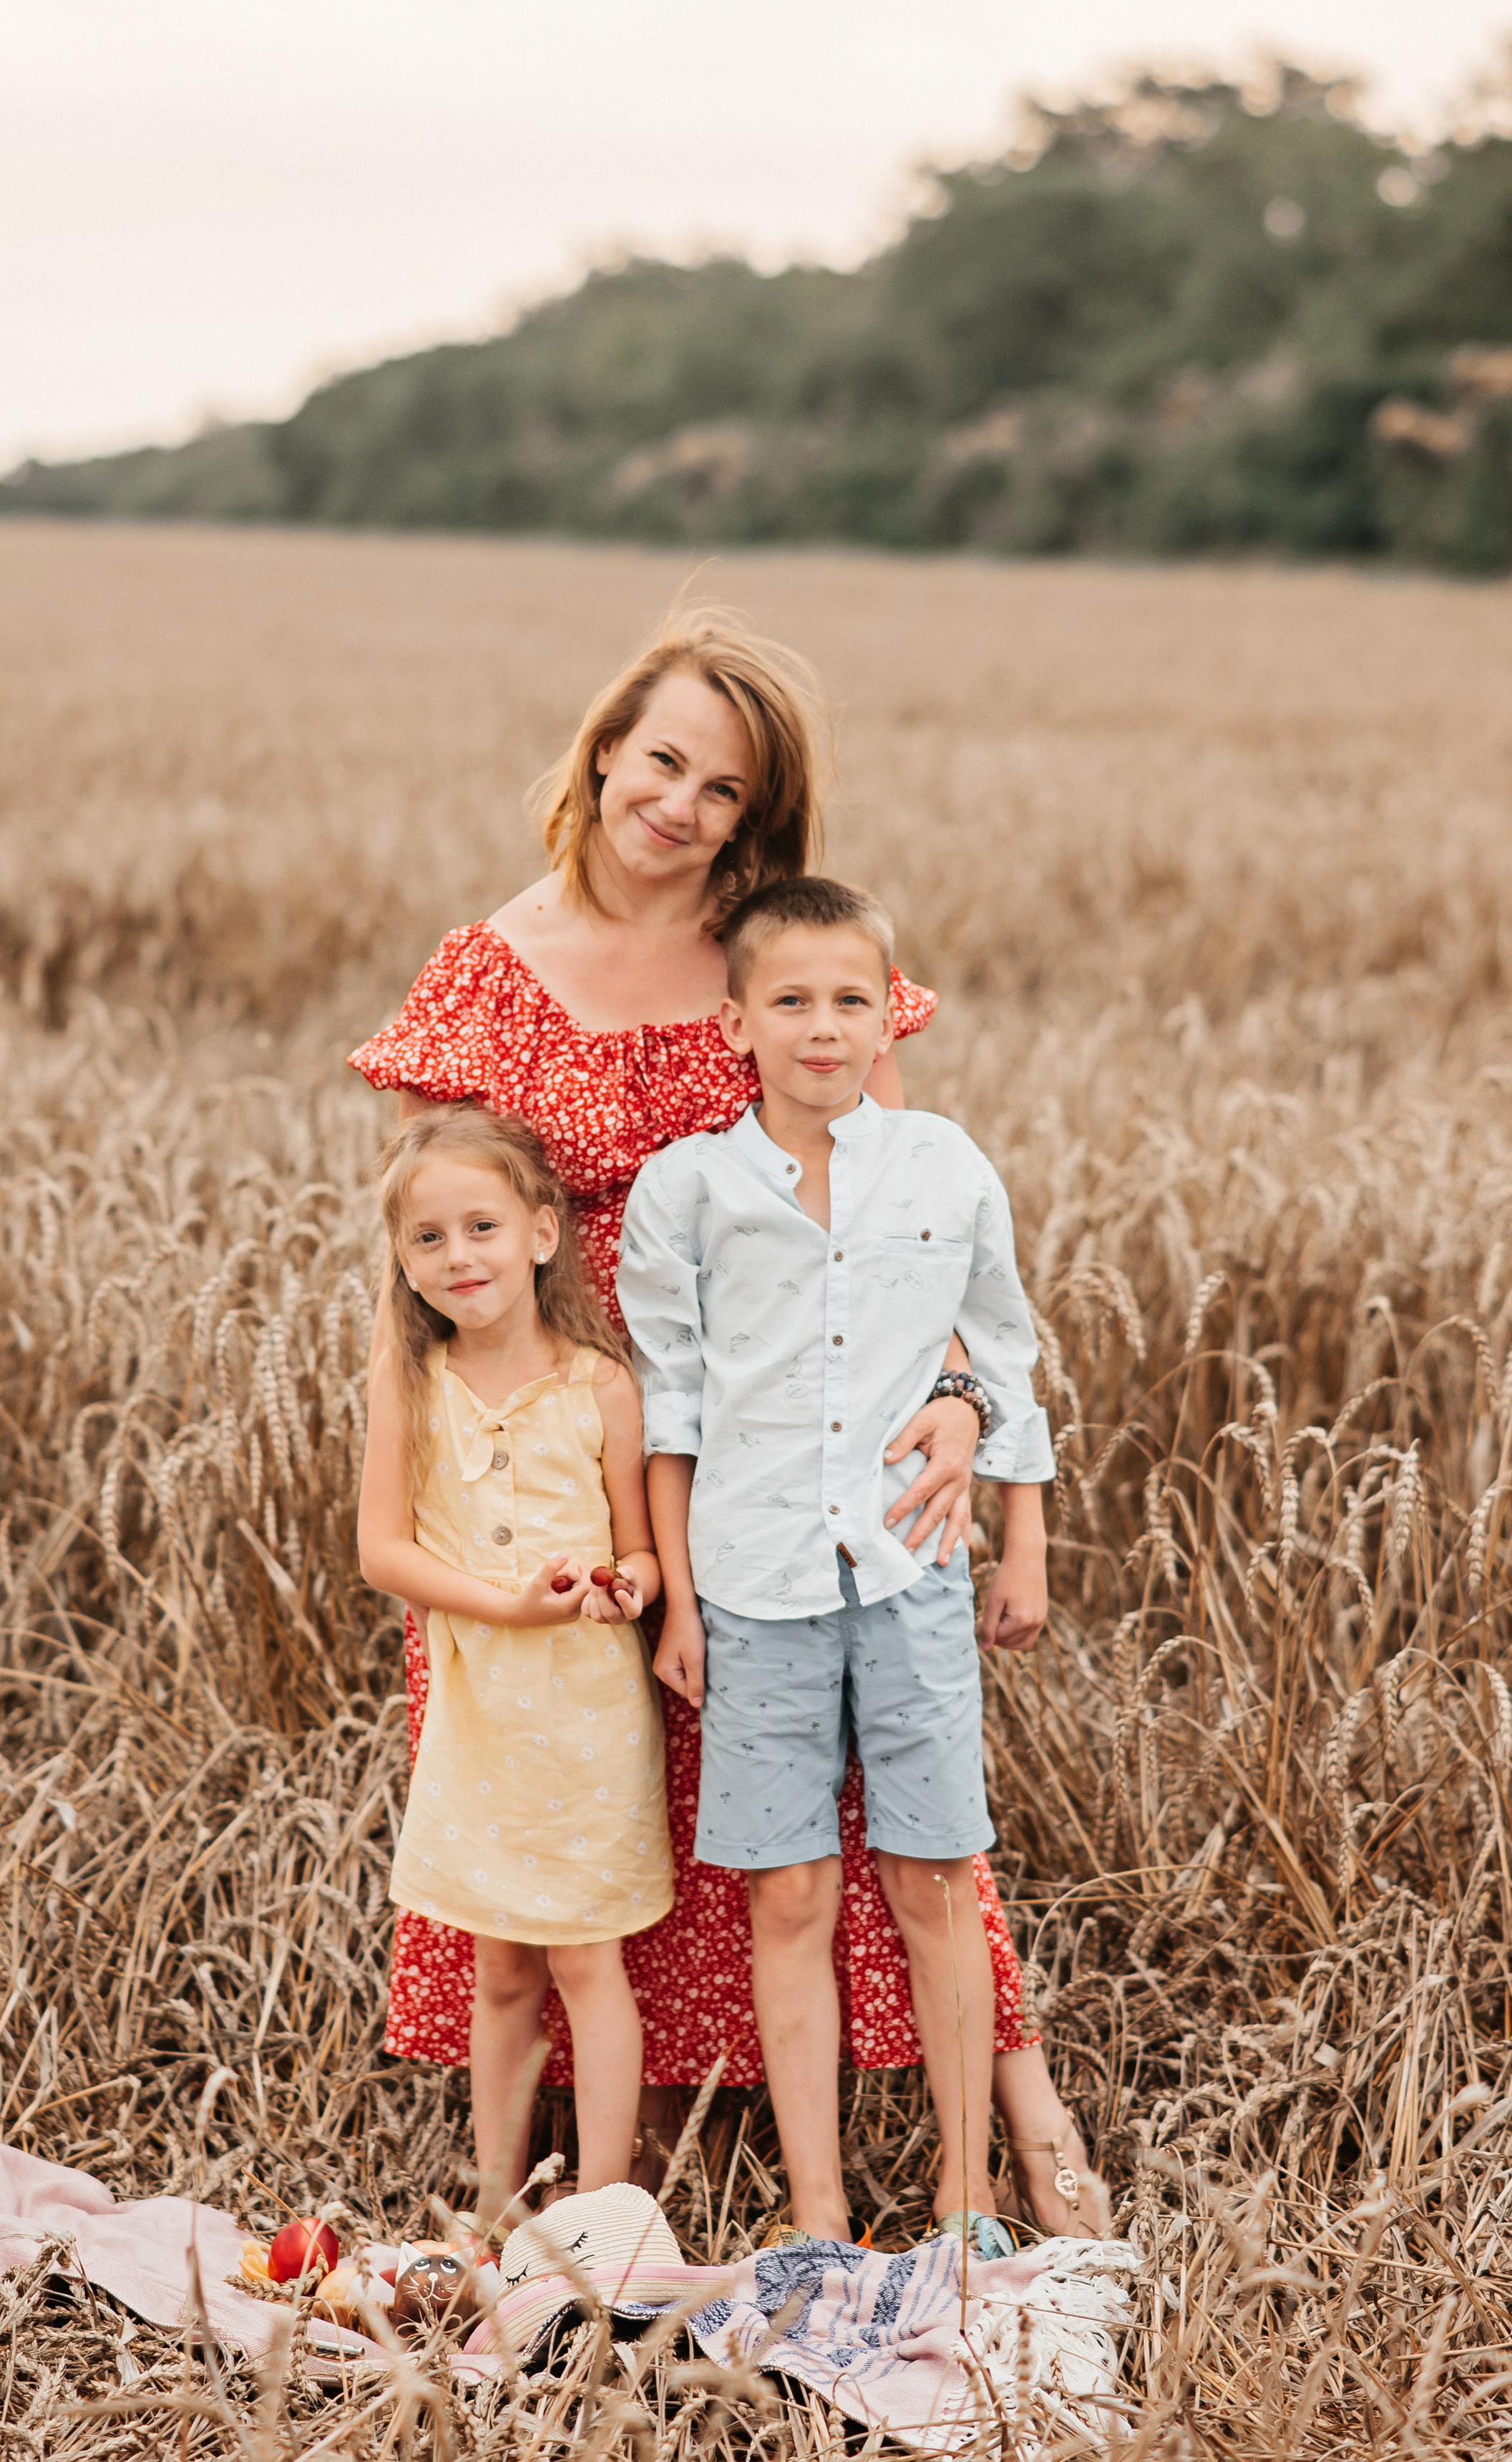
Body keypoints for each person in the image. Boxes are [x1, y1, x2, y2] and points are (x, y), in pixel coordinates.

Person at [348, 605, 1105, 2236]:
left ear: (755, 817)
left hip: (786, 1450)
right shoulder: (483, 974)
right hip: (554, 1460)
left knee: (883, 1806)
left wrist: (967, 1401)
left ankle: (1024, 2123)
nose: (677, 803)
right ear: (605, 747)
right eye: (662, 758)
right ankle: (590, 2173)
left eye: (723, 786)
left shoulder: (780, 970)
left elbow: (923, 1235)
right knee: (567, 1783)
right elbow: (431, 1234)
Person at [620, 875, 1058, 2252]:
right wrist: (680, 1599)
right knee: (789, 1888)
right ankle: (818, 2209)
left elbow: (1003, 1343)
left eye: (851, 1000)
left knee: (937, 1876)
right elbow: (671, 1406)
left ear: (890, 1014)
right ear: (736, 1018)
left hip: (914, 1566)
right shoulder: (686, 1189)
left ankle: (966, 2190)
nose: (823, 1027)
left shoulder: (944, 1165)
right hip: (752, 1582)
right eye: (792, 1001)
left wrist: (1015, 1521)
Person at [358, 1104, 673, 2213]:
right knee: (502, 1967)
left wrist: (631, 1583)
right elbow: (381, 1547)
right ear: (404, 1260)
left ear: (542, 1232)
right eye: (429, 1238)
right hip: (482, 1708)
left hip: (587, 1713)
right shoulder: (411, 1380)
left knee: (590, 1964)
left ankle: (598, 2207)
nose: (459, 1256)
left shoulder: (600, 1385)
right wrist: (503, 1605)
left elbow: (637, 1543)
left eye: (482, 1226)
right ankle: (493, 2205)